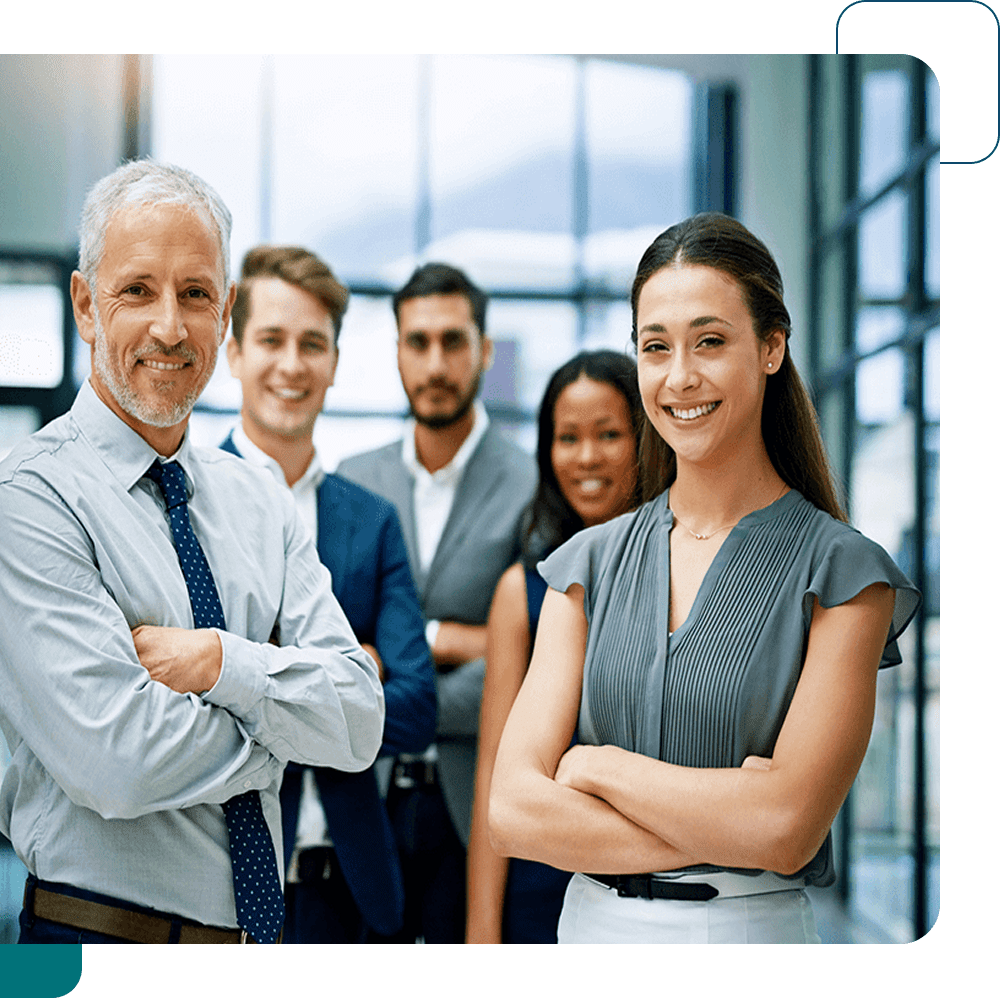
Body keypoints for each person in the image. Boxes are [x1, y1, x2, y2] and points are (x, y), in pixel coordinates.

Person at [0, 160, 384, 945]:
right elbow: (118, 763)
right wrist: (282, 735)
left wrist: (222, 664)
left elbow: (358, 720)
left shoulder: (259, 497)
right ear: (86, 305)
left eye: (194, 294)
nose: (169, 327)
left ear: (225, 313)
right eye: (137, 290)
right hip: (97, 943)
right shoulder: (28, 502)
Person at [488, 213, 921, 944]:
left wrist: (597, 767)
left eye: (710, 341)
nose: (680, 375)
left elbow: (786, 829)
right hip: (590, 930)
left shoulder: (846, 576)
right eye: (656, 347)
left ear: (772, 347)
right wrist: (733, 819)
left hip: (747, 938)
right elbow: (512, 812)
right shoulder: (585, 567)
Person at [219, 244, 437, 943]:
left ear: (335, 362)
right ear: (234, 352)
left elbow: (415, 709)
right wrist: (341, 680)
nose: (292, 365)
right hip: (218, 885)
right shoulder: (184, 498)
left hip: (352, 894)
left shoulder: (371, 521)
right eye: (271, 340)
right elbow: (178, 702)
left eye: (312, 344)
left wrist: (254, 674)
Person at [337, 262, 536, 943]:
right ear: (397, 351)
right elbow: (334, 645)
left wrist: (388, 688)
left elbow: (537, 660)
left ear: (485, 350)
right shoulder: (353, 482)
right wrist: (461, 642)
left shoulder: (533, 485)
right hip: (363, 804)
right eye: (417, 342)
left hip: (475, 807)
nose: (435, 364)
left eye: (454, 341)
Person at [467, 350, 643, 944]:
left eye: (609, 434)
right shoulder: (523, 591)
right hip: (538, 887)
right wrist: (482, 931)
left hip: (655, 885)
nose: (586, 457)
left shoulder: (683, 578)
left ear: (646, 441)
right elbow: (493, 768)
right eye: (568, 438)